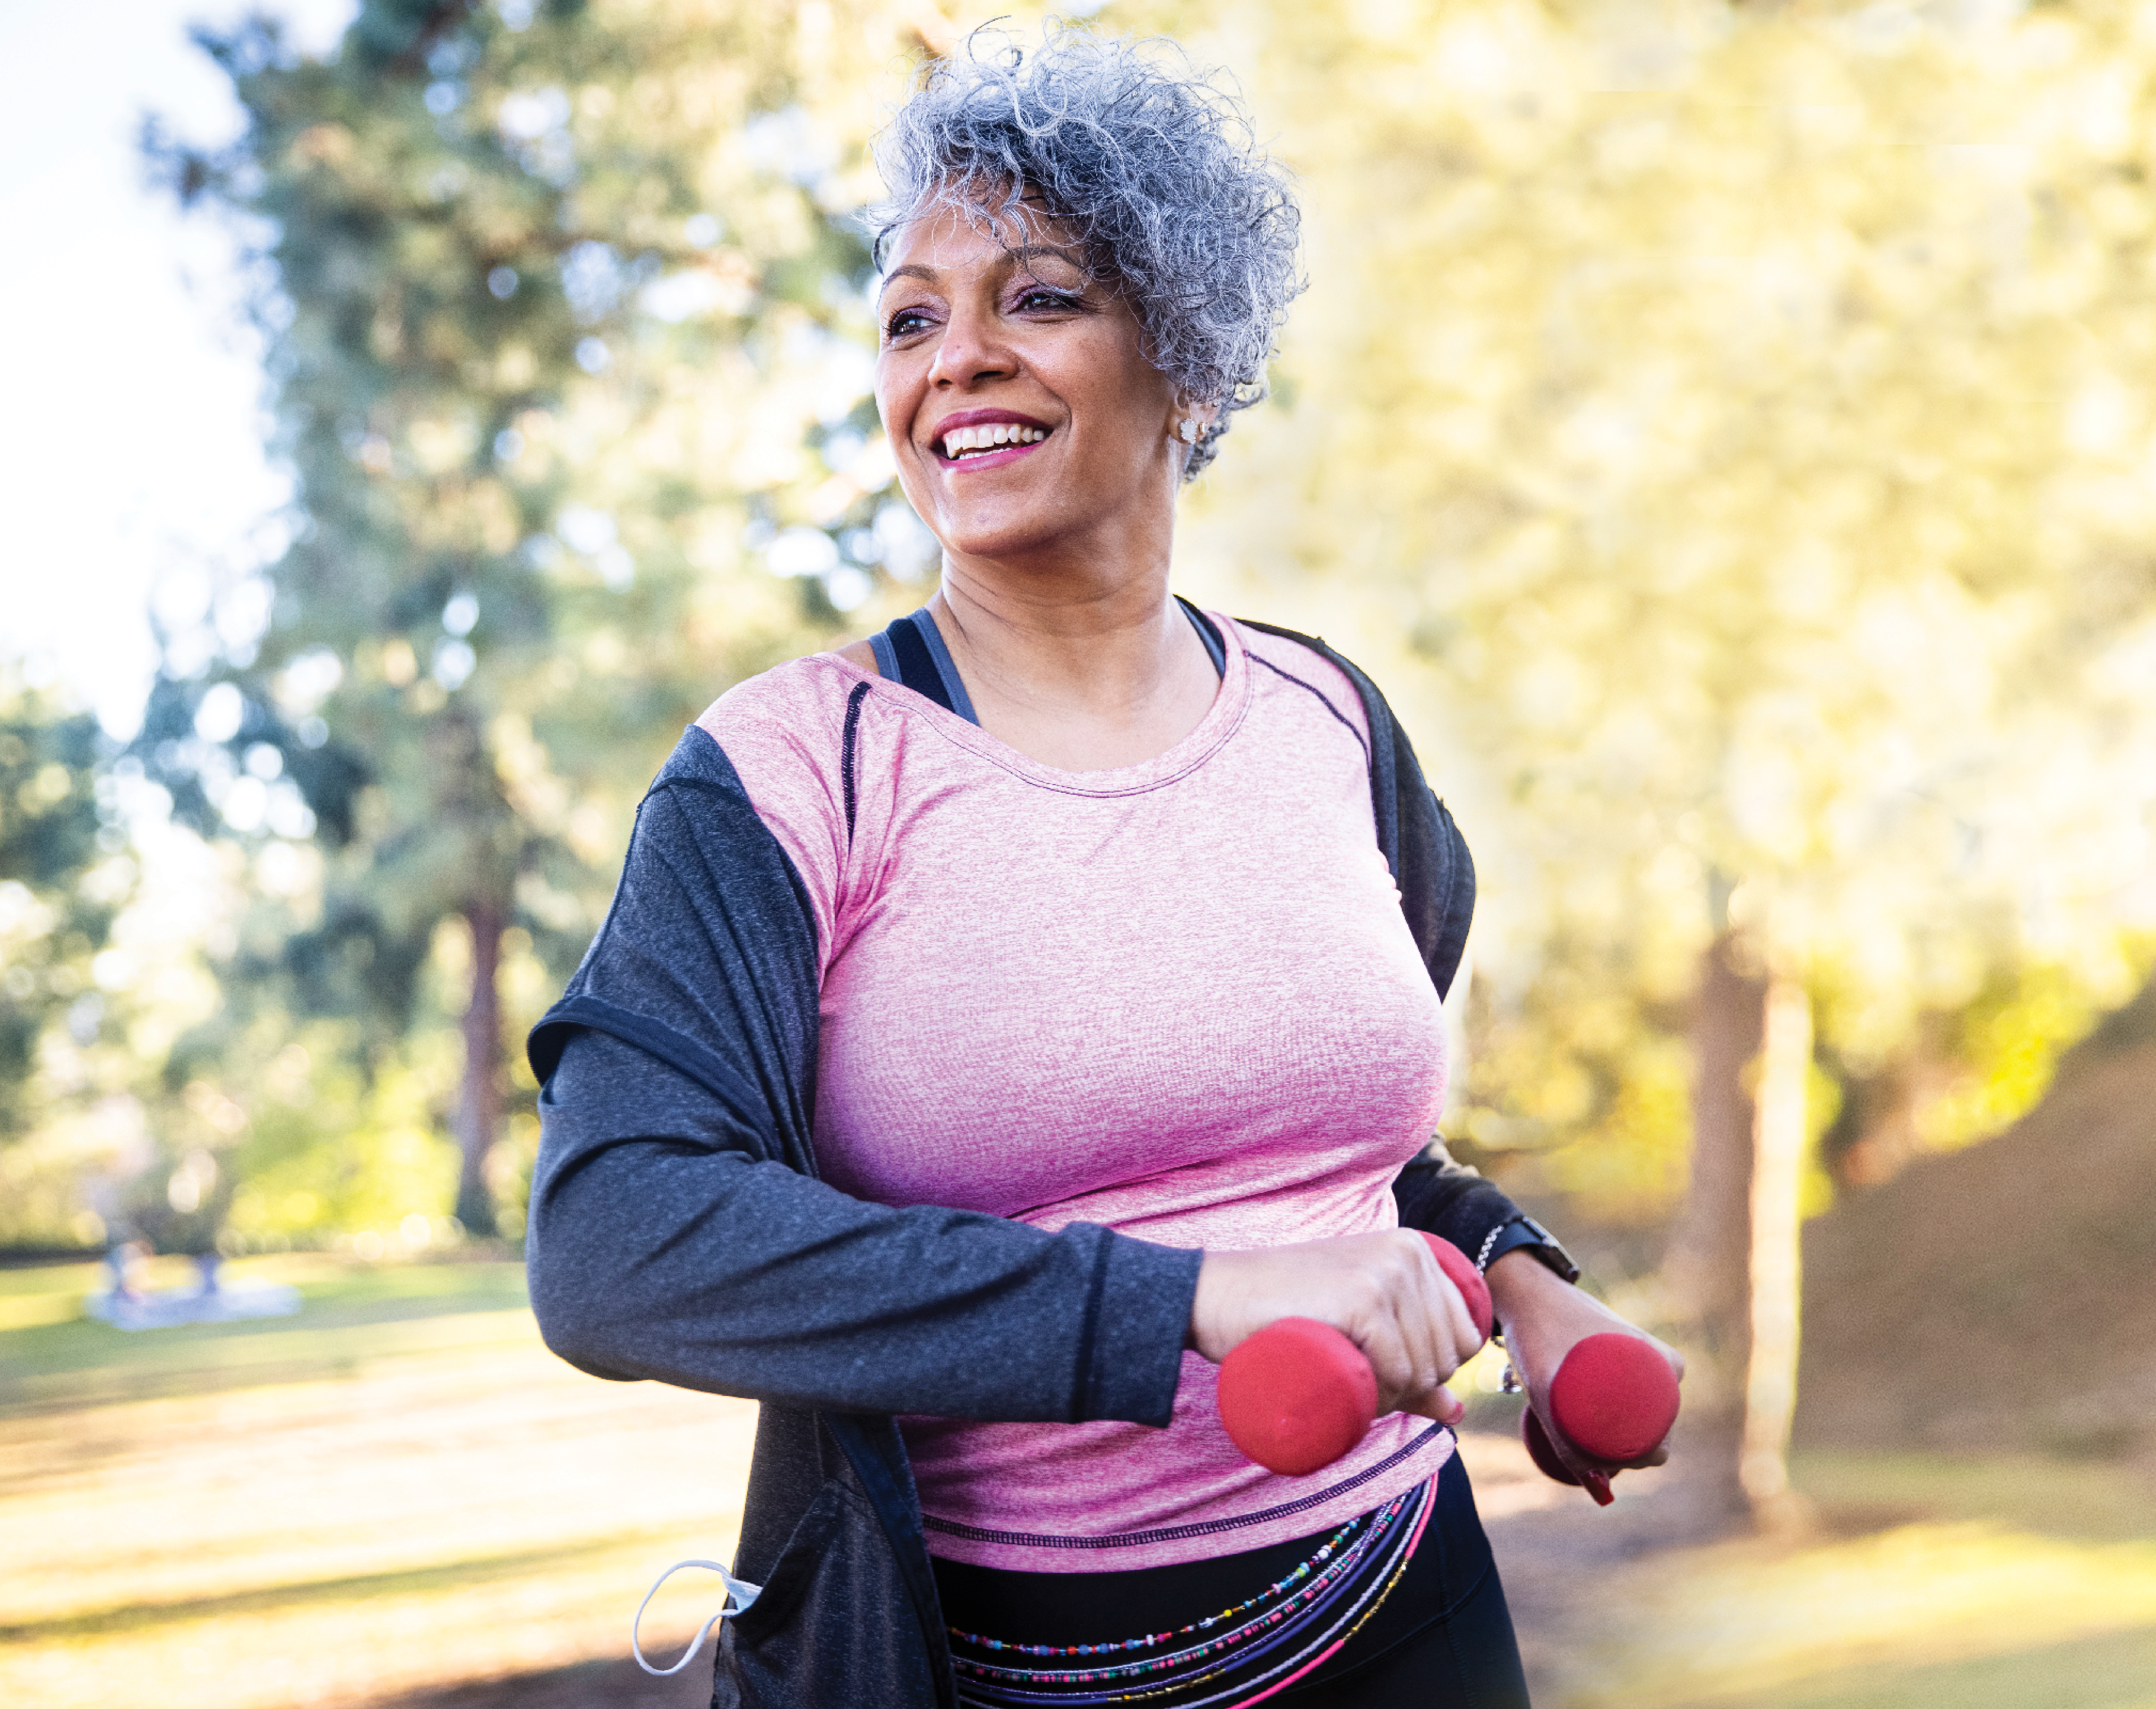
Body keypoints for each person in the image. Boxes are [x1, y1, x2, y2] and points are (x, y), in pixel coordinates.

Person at [524, 28, 1681, 1709]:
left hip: (1405, 1613)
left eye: (1038, 298)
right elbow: (616, 1239)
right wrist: (1190, 1304)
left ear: (1186, 357)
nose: (957, 361)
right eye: (912, 316)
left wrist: (1519, 1275)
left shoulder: (1332, 723)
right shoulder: (791, 770)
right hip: (980, 1666)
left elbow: (1332, 1147)